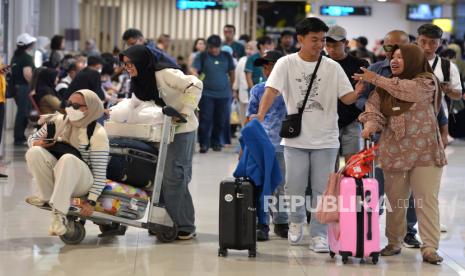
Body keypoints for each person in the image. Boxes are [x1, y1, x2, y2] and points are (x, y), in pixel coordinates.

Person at [255, 17, 363, 252]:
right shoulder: (286, 63)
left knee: (322, 189)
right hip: (295, 138)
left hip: (326, 138)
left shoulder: (332, 67)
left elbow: (346, 98)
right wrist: (260, 115)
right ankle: (295, 222)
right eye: (314, 39)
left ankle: (318, 234)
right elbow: (271, 90)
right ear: (300, 39)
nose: (319, 44)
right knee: (293, 186)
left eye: (322, 40)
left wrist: (361, 90)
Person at [357, 30, 449, 249]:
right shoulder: (386, 86)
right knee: (395, 202)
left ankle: (430, 247)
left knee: (426, 200)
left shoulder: (427, 82)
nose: (394, 60)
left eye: (401, 57)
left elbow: (411, 92)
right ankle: (394, 242)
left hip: (425, 152)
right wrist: (370, 124)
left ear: (414, 60)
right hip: (393, 151)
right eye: (393, 56)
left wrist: (376, 79)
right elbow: (373, 108)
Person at [120, 45, 202, 240]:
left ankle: (184, 225)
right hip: (159, 131)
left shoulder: (164, 73)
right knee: (158, 177)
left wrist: (183, 111)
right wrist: (115, 111)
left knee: (175, 176)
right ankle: (163, 221)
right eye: (124, 64)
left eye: (131, 63)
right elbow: (136, 103)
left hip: (182, 129)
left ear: (141, 61)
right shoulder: (138, 79)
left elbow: (196, 84)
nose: (128, 67)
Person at [25, 89, 109, 236]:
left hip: (82, 181)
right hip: (60, 174)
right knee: (34, 152)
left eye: (77, 106)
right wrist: (38, 143)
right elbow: (32, 139)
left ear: (90, 109)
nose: (70, 108)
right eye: (69, 104)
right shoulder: (58, 121)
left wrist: (91, 201)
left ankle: (59, 215)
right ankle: (46, 196)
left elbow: (100, 174)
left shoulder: (98, 134)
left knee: (68, 158)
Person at [246, 50, 288, 241]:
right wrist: (244, 148)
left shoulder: (291, 89)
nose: (266, 69)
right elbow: (250, 119)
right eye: (265, 66)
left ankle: (281, 222)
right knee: (261, 184)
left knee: (281, 185)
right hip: (262, 144)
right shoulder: (257, 89)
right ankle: (261, 224)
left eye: (270, 65)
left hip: (286, 144)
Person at [325, 25, 369, 162]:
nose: (331, 49)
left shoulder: (360, 64)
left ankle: (353, 185)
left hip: (352, 120)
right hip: (327, 121)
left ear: (346, 43)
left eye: (336, 45)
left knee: (352, 166)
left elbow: (366, 92)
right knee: (330, 168)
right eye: (328, 45)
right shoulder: (320, 64)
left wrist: (363, 112)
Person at [193, 35, 235, 153]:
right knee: (205, 119)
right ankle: (203, 143)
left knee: (220, 119)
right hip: (206, 94)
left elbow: (232, 72)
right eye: (211, 47)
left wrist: (231, 87)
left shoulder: (226, 56)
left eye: (216, 47)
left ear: (220, 47)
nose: (214, 50)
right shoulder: (202, 56)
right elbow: (194, 69)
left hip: (223, 94)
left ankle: (216, 142)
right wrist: (195, 76)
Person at [11, 33, 36, 145]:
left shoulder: (15, 57)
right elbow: (27, 74)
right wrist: (34, 85)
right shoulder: (26, 57)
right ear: (28, 44)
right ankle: (19, 137)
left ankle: (19, 136)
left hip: (17, 87)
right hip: (24, 87)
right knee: (23, 112)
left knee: (21, 112)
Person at [234, 41, 257, 125]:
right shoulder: (242, 60)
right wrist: (235, 89)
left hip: (254, 94)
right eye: (247, 48)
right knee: (243, 117)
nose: (248, 51)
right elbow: (237, 75)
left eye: (251, 49)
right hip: (242, 92)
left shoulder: (258, 61)